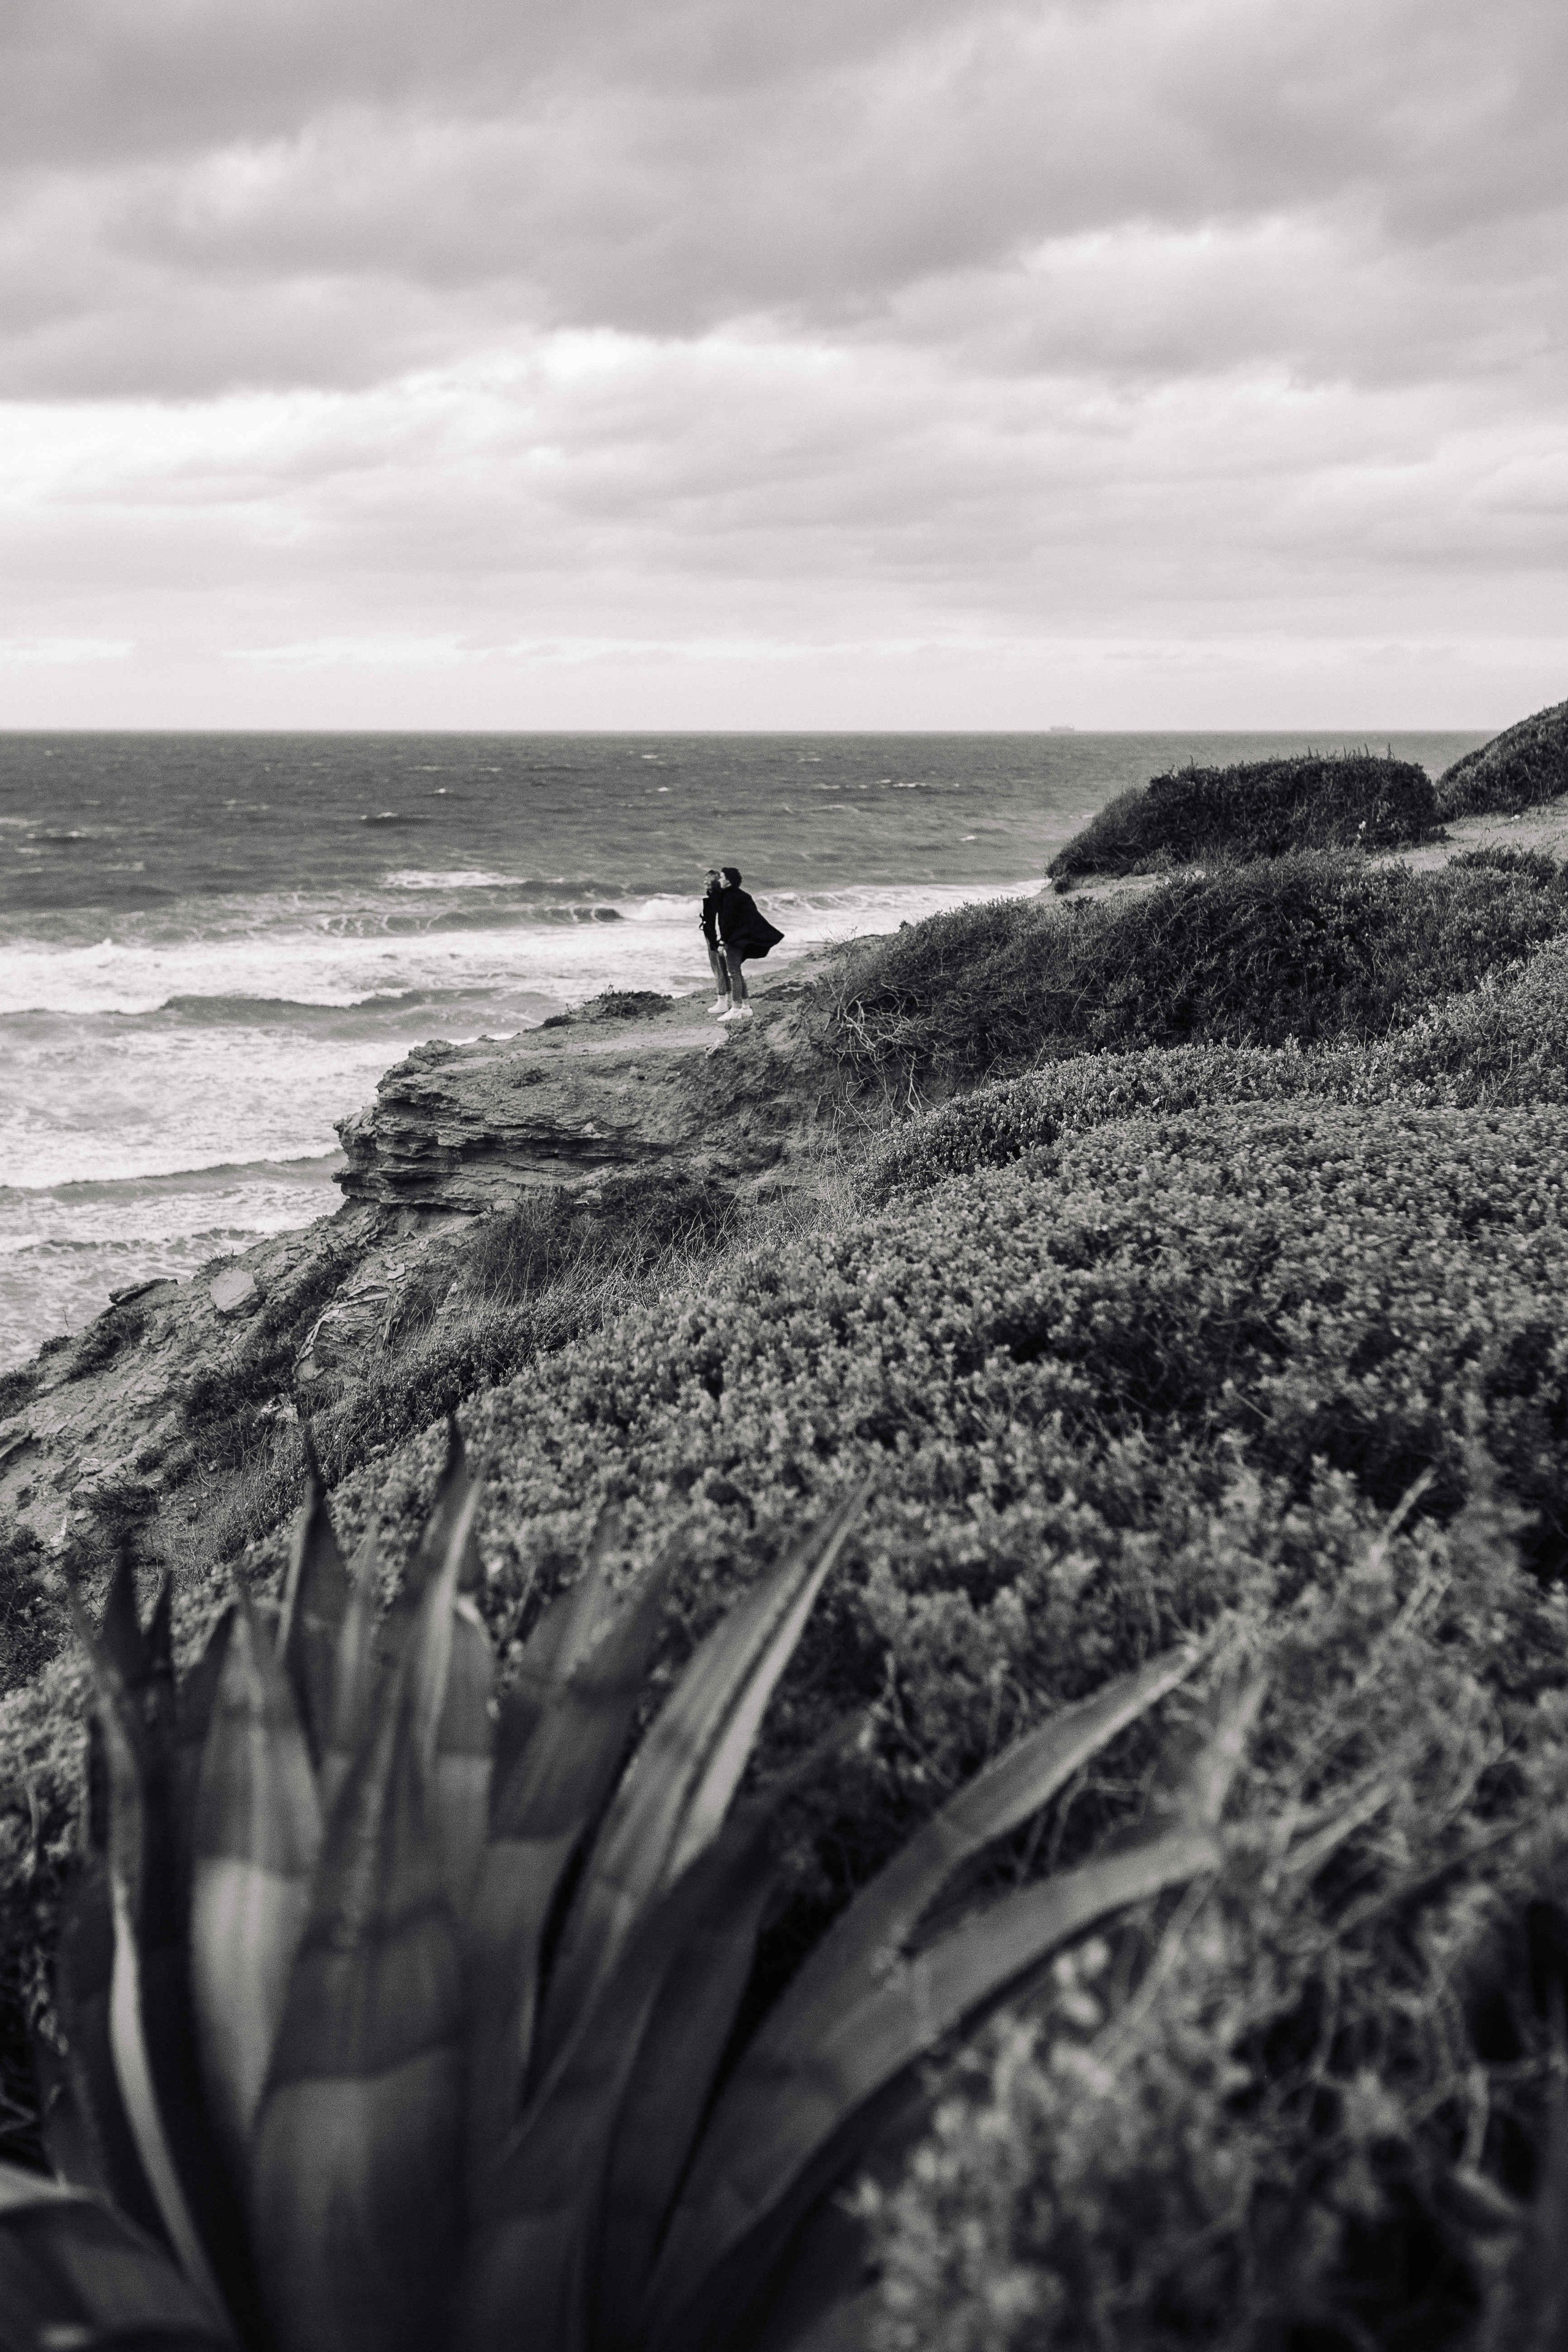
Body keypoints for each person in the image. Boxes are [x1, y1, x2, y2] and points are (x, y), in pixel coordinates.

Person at [713, 866, 784, 1022]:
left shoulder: (729, 897)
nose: (719, 879)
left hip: (733, 941)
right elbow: (751, 919)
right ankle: (746, 1008)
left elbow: (728, 922)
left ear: (729, 881)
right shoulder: (743, 896)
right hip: (742, 939)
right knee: (737, 972)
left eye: (722, 877)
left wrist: (723, 940)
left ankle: (736, 1009)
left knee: (734, 973)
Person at [699, 868, 729, 1012]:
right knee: (723, 970)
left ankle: (722, 1002)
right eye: (705, 883)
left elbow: (718, 922)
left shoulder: (716, 900)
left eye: (708, 884)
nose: (706, 886)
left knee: (719, 970)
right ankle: (728, 1000)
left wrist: (719, 941)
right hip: (715, 937)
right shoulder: (720, 898)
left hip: (716, 939)